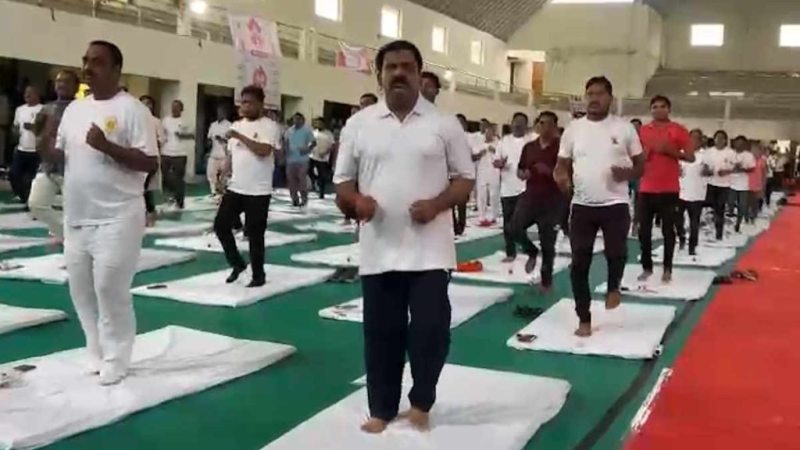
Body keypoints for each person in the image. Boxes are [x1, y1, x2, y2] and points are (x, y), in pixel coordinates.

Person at [333, 40, 474, 434]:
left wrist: (437, 204)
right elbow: (342, 182)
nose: (398, 73)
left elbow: (465, 179)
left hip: (431, 251)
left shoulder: (444, 124)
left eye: (406, 67)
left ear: (419, 73)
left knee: (431, 330)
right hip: (379, 249)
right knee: (381, 333)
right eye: (391, 67)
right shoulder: (359, 124)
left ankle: (421, 401)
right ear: (379, 74)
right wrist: (356, 202)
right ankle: (381, 408)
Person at [54, 41, 158, 385]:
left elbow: (149, 163)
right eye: (85, 60)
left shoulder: (133, 110)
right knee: (80, 291)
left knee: (109, 289)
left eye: (97, 62)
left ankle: (117, 356)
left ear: (116, 70)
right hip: (76, 216)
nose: (88, 67)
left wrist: (107, 146)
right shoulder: (74, 110)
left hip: (118, 216)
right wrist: (42, 139)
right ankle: (95, 349)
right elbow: (60, 157)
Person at [554, 76, 644, 338]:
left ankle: (614, 286)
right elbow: (561, 164)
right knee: (578, 263)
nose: (594, 98)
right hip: (582, 205)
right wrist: (560, 176)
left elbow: (641, 165)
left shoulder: (625, 129)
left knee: (616, 252)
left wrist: (629, 174)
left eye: (599, 94)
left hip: (615, 204)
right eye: (590, 94)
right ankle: (584, 317)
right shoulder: (573, 129)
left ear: (610, 98)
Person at [214, 86, 281, 288]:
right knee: (220, 226)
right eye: (242, 102)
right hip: (236, 187)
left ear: (260, 104)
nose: (244, 106)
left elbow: (264, 150)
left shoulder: (269, 126)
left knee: (255, 235)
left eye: (249, 102)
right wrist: (222, 176)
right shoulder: (237, 125)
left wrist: (239, 136)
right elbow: (231, 155)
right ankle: (237, 264)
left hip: (259, 190)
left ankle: (258, 275)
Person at [637, 95, 695, 284]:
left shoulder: (679, 130)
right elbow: (633, 157)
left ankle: (667, 269)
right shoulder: (643, 131)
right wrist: (643, 156)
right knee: (643, 232)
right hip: (646, 188)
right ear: (650, 110)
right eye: (655, 107)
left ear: (668, 109)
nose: (658, 109)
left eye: (662, 106)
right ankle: (647, 267)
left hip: (669, 189)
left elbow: (691, 157)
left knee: (668, 231)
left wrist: (672, 152)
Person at [510, 111, 566, 292]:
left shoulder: (562, 148)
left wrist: (548, 171)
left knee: (548, 243)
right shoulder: (529, 147)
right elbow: (520, 170)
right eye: (541, 123)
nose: (544, 127)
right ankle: (531, 251)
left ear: (555, 127)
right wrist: (523, 174)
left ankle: (546, 281)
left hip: (552, 200)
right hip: (531, 196)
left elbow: (568, 176)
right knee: (514, 228)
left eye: (548, 124)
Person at [27, 70, 79, 242]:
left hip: (72, 166)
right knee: (36, 204)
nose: (61, 85)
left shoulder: (81, 109)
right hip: (48, 165)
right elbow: (38, 130)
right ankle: (65, 234)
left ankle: (73, 242)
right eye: (58, 81)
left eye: (66, 81)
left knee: (74, 211)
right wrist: (42, 138)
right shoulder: (47, 108)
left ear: (76, 86)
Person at [494, 112, 534, 262]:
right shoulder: (504, 141)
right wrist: (499, 163)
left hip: (525, 189)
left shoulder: (531, 142)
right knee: (507, 223)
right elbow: (496, 161)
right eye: (515, 121)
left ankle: (528, 248)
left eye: (521, 122)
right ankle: (510, 252)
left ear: (526, 125)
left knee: (519, 224)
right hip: (507, 188)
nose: (517, 124)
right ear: (511, 123)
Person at [675, 129, 711, 256]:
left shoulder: (705, 155)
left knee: (694, 222)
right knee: (677, 220)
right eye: (692, 138)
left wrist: (707, 171)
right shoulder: (681, 153)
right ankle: (681, 237)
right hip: (681, 192)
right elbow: (675, 168)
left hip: (697, 194)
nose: (694, 141)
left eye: (697, 138)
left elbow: (711, 171)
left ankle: (692, 247)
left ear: (700, 141)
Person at [11, 86, 44, 205]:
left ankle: (28, 198)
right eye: (26, 93)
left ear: (37, 95)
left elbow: (45, 129)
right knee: (14, 173)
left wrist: (33, 127)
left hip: (36, 150)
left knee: (31, 177)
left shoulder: (43, 109)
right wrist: (15, 133)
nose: (27, 95)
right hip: (21, 148)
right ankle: (20, 195)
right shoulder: (20, 110)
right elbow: (16, 126)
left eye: (31, 93)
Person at [161, 99, 194, 209]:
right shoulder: (165, 120)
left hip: (180, 153)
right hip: (166, 152)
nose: (174, 109)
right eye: (173, 106)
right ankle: (168, 198)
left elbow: (192, 135)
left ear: (181, 109)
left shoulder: (185, 121)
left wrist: (183, 135)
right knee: (165, 177)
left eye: (177, 107)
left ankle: (179, 202)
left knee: (179, 178)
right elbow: (161, 134)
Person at [704, 130, 735, 240]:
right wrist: (707, 171)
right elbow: (705, 165)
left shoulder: (730, 153)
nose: (719, 140)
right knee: (711, 208)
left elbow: (735, 167)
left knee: (720, 208)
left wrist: (726, 171)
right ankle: (709, 228)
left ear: (726, 140)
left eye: (722, 138)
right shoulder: (709, 152)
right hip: (710, 183)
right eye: (717, 138)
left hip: (724, 185)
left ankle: (719, 233)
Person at [139, 95, 165, 226]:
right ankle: (145, 212)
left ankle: (150, 212)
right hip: (136, 157)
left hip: (150, 158)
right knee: (139, 188)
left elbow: (161, 140)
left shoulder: (155, 122)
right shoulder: (135, 120)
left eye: (147, 104)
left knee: (144, 187)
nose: (145, 106)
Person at [472, 123, 500, 226]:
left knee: (494, 194)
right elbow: (473, 157)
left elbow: (503, 156)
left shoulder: (498, 143)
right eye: (487, 132)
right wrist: (480, 153)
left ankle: (494, 216)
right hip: (482, 171)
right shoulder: (479, 144)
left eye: (491, 132)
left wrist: (494, 151)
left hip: (494, 171)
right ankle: (481, 216)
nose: (488, 134)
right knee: (481, 194)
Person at [285, 113, 316, 207]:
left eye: (298, 119)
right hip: (291, 159)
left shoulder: (307, 130)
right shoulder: (289, 130)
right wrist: (285, 153)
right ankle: (294, 199)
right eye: (295, 119)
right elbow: (286, 142)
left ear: (303, 120)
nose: (296, 121)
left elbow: (314, 142)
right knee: (291, 181)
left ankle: (304, 199)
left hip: (303, 159)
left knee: (302, 180)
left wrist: (308, 149)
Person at [730, 136, 756, 232]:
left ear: (745, 144)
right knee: (730, 204)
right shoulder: (730, 154)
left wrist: (742, 169)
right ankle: (731, 221)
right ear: (734, 143)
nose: (739, 145)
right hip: (731, 184)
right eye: (738, 143)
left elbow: (752, 169)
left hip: (743, 186)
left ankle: (738, 223)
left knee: (742, 206)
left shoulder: (749, 156)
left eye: (742, 143)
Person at [452, 113, 470, 236]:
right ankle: (454, 226)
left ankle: (461, 225)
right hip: (450, 175)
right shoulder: (448, 138)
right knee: (450, 204)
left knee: (462, 203)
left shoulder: (469, 138)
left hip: (464, 175)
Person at [206, 105, 231, 197]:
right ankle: (213, 191)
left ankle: (222, 192)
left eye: (222, 112)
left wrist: (222, 139)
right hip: (214, 153)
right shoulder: (213, 125)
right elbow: (209, 138)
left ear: (225, 114)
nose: (220, 114)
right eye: (218, 112)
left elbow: (232, 141)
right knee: (210, 173)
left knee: (224, 176)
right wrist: (207, 148)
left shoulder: (229, 125)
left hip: (224, 154)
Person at [310, 117, 335, 199]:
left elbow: (332, 146)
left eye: (320, 123)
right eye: (317, 123)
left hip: (323, 158)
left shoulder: (329, 134)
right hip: (313, 156)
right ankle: (315, 181)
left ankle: (321, 193)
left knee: (322, 176)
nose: (318, 125)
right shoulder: (313, 133)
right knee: (309, 170)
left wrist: (325, 152)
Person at [749, 144, 768, 220]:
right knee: (749, 200)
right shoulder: (749, 160)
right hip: (748, 184)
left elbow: (764, 173)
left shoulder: (762, 161)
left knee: (756, 201)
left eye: (756, 150)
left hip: (758, 184)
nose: (755, 152)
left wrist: (764, 183)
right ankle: (749, 214)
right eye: (753, 150)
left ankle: (754, 214)